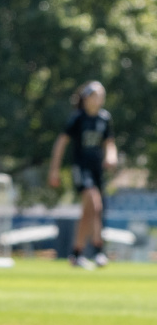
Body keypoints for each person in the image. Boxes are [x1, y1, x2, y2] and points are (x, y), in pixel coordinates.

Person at [48, 80, 117, 268]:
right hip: (81, 168)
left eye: (101, 96)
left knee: (89, 212)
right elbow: (61, 143)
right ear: (86, 98)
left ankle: (76, 253)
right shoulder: (78, 118)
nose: (99, 100)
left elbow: (109, 143)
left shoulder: (104, 118)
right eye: (95, 95)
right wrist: (54, 170)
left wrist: (111, 157)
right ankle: (99, 251)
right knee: (95, 204)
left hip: (97, 170)